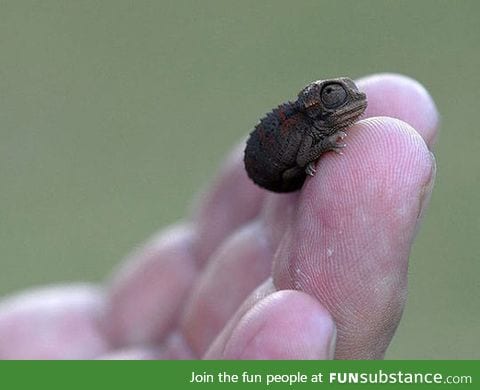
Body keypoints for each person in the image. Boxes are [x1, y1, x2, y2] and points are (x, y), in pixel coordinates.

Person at [0, 73, 438, 359]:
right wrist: (315, 154)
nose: (350, 103)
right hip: (271, 166)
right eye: (334, 97)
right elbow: (290, 156)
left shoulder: (312, 123)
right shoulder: (303, 125)